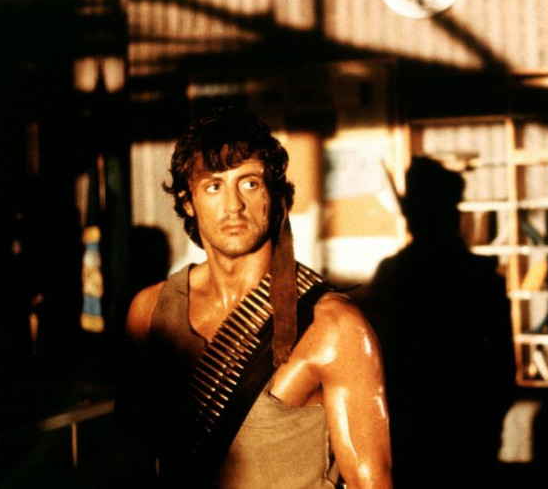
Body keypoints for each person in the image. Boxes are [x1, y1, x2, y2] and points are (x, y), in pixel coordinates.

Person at [124, 106, 392, 488]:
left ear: (272, 194)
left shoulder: (334, 327)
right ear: (187, 201)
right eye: (214, 186)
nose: (233, 205)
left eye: (249, 183)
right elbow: (131, 456)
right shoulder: (149, 311)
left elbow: (373, 483)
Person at [367, 156, 515, 487]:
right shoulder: (479, 274)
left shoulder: (394, 274)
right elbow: (505, 368)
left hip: (424, 425)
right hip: (457, 424)